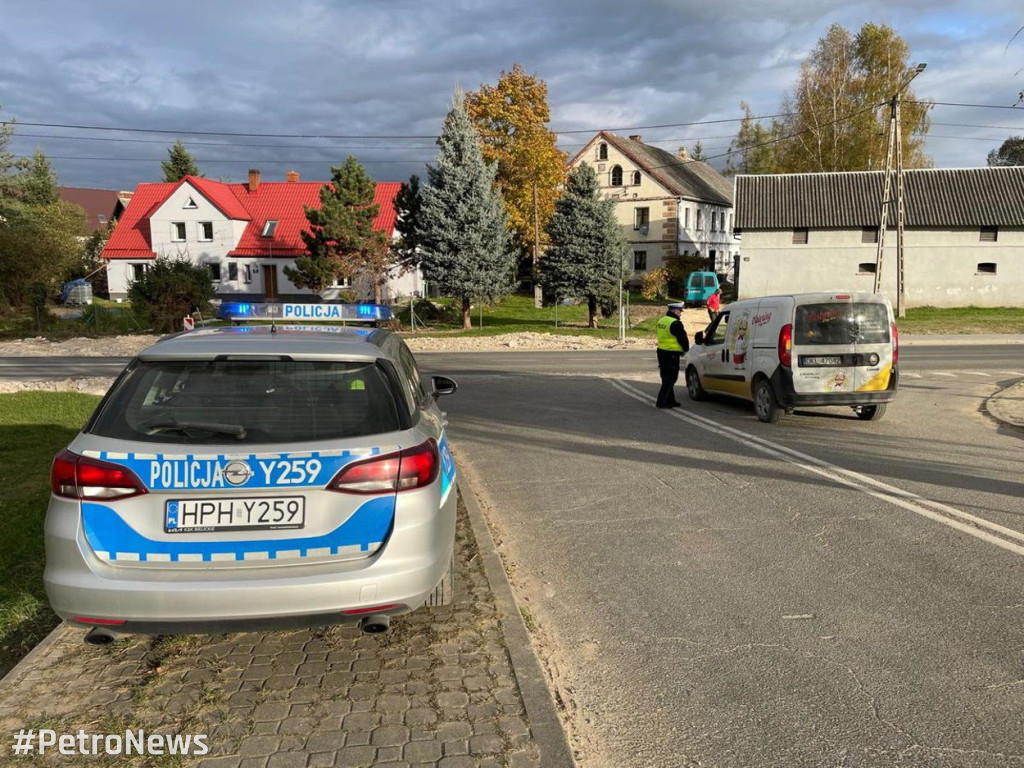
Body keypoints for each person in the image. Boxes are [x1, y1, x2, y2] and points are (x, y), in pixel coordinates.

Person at [655, 301, 690, 408]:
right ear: (675, 311)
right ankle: (661, 401)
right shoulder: (675, 323)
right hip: (672, 353)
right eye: (680, 311)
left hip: (661, 351)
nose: (681, 313)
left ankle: (671, 400)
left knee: (666, 377)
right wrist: (685, 349)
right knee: (671, 378)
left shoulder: (662, 320)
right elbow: (682, 338)